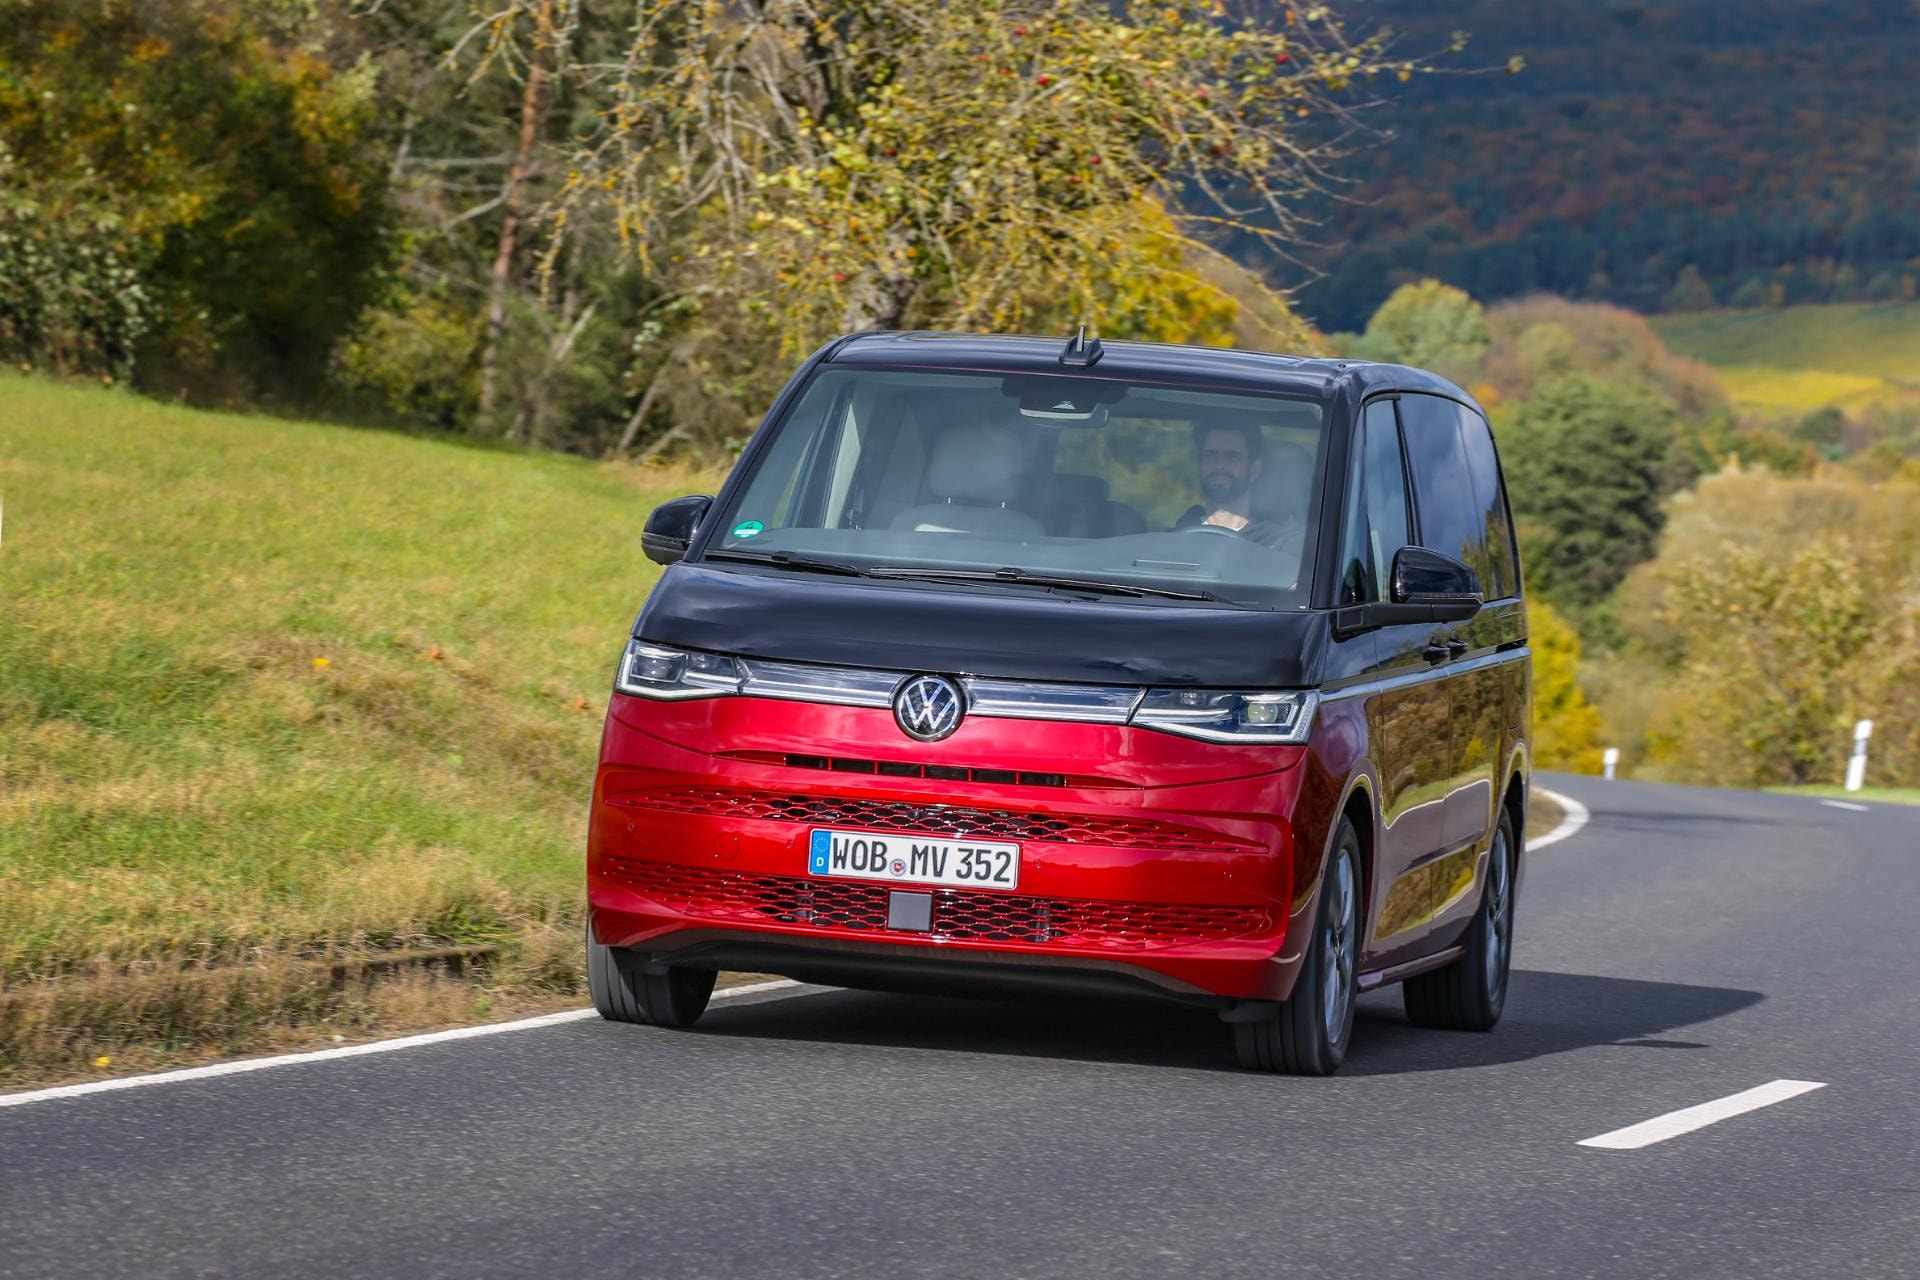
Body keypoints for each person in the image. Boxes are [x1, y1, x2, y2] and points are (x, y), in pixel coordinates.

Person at [1173, 421, 1302, 552]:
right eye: (1210, 455)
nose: (1219, 465)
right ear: (1198, 466)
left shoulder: (1280, 546)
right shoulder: (1174, 539)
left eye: (1232, 456)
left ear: (1254, 469)